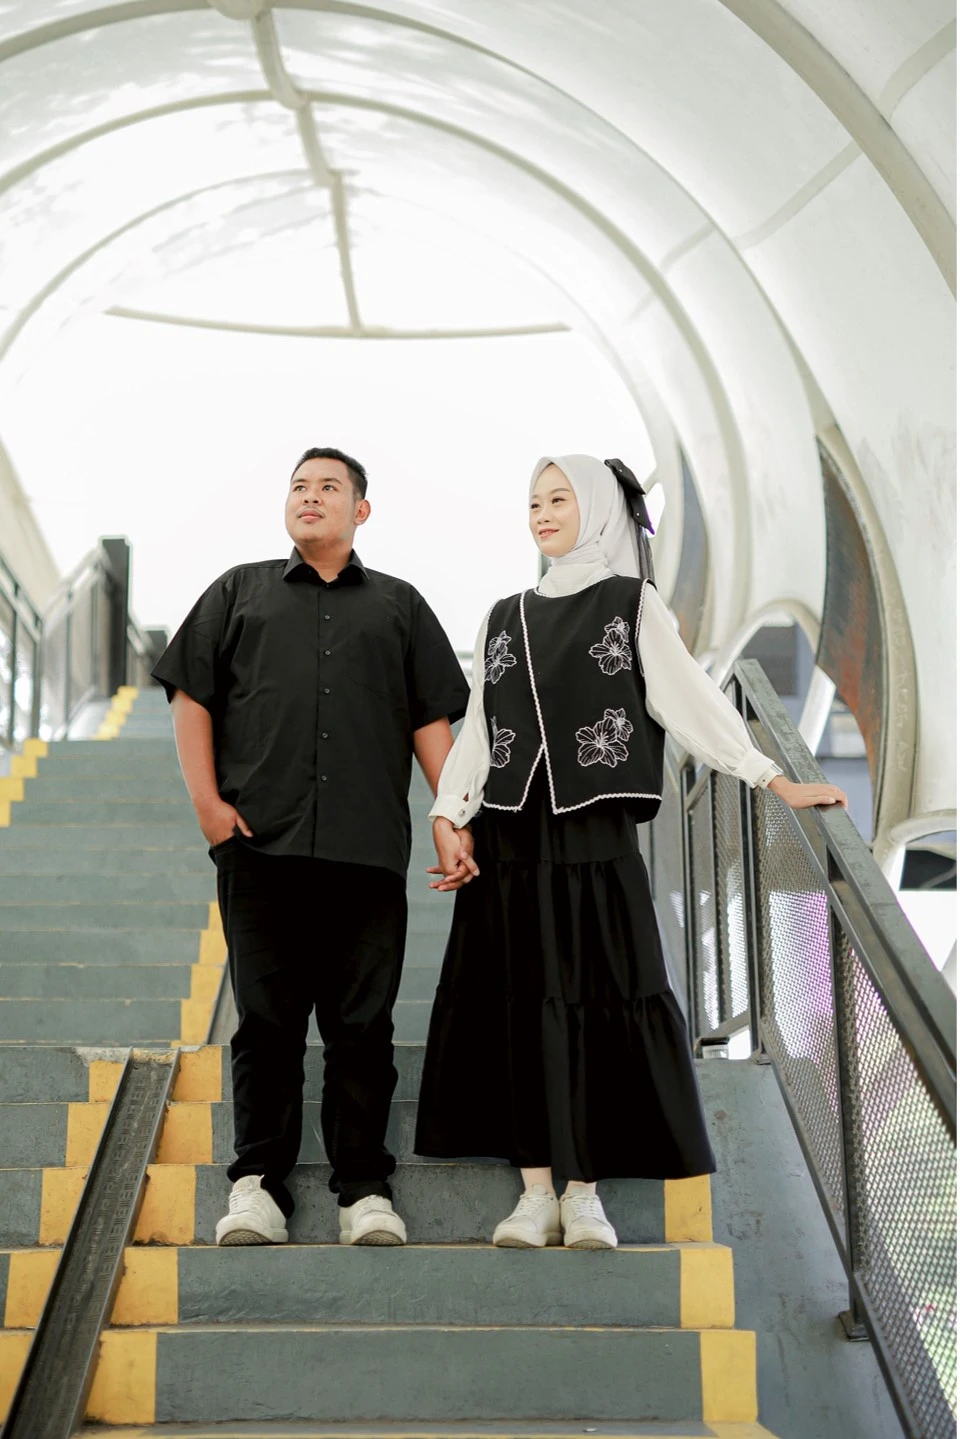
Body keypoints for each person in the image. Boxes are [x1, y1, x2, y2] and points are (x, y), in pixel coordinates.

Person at [415, 453, 847, 1250]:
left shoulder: (631, 603)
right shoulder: (502, 614)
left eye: (559, 499)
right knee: (518, 1008)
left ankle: (584, 1195)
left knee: (596, 1001)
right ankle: (534, 1193)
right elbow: (479, 727)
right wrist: (449, 813)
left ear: (599, 509)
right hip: (508, 840)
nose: (543, 513)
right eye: (534, 502)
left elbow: (691, 701)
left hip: (593, 837)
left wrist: (770, 777)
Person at [153, 447, 469, 1248]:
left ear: (361, 510)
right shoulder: (239, 591)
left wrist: (453, 814)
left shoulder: (399, 605)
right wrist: (208, 808)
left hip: (367, 851)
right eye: (299, 485)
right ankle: (258, 1185)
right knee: (266, 1022)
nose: (310, 496)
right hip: (260, 846)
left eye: (329, 486)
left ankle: (364, 1188)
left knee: (362, 1025)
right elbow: (190, 694)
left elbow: (430, 720)